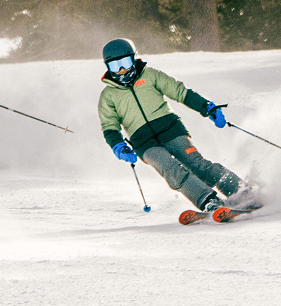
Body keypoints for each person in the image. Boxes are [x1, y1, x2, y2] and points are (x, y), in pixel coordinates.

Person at [98, 37, 260, 213]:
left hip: (171, 129)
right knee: (171, 170)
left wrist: (206, 107)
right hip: (143, 143)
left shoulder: (151, 75)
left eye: (125, 63)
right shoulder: (108, 96)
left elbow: (180, 92)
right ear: (108, 67)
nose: (121, 70)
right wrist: (118, 146)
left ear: (134, 58)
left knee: (197, 164)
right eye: (115, 66)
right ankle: (208, 201)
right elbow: (109, 126)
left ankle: (240, 191)